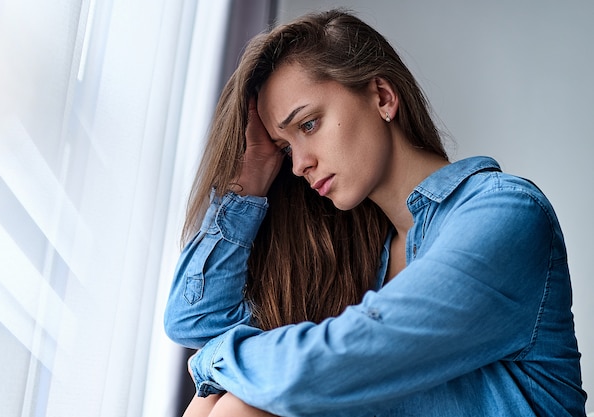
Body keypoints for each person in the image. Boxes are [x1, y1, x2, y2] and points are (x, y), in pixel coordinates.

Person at [164, 8, 587, 417]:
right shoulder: (357, 259)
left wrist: (213, 359)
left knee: (236, 401)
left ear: (382, 96)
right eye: (286, 148)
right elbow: (196, 320)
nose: (298, 165)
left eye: (309, 124)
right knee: (221, 401)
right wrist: (248, 181)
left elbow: (326, 366)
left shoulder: (504, 213)